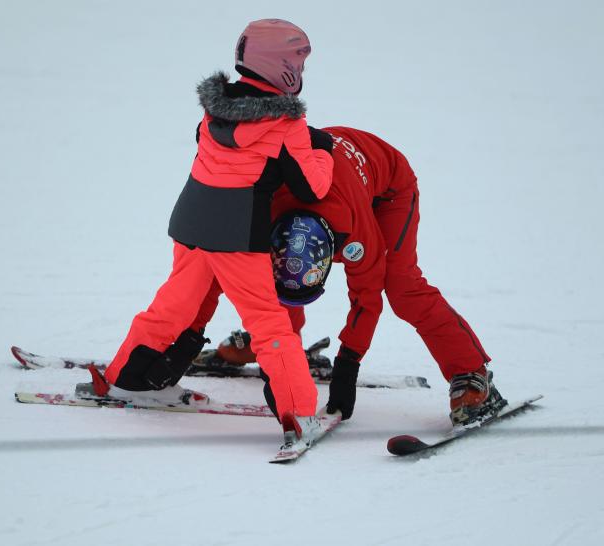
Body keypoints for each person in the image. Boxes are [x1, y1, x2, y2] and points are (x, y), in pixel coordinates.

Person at [92, 19, 335, 441]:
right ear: (283, 67)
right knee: (270, 325)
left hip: (190, 223)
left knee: (171, 309)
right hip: (238, 237)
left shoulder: (215, 107)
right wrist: (323, 150)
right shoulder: (288, 124)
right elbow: (312, 186)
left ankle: (125, 379)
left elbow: (228, 150)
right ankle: (299, 413)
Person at [195, 126, 495, 426]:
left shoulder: (356, 238)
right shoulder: (263, 209)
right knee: (271, 271)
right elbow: (229, 269)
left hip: (388, 191)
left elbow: (367, 298)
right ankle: (283, 343)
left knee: (402, 287)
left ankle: (471, 372)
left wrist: (347, 364)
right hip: (329, 178)